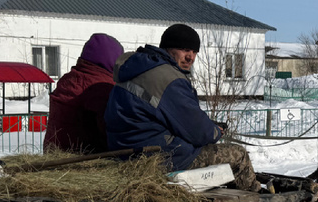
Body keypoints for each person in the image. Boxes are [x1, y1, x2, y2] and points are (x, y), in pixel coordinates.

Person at [105, 23, 258, 190]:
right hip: (161, 159)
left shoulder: (138, 68)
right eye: (185, 50)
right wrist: (215, 131)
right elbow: (198, 132)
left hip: (129, 153)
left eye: (194, 52)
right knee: (239, 155)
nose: (190, 57)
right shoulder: (169, 79)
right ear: (168, 48)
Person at [43, 33, 124, 153]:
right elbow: (108, 129)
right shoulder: (100, 86)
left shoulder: (68, 79)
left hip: (54, 154)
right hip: (81, 159)